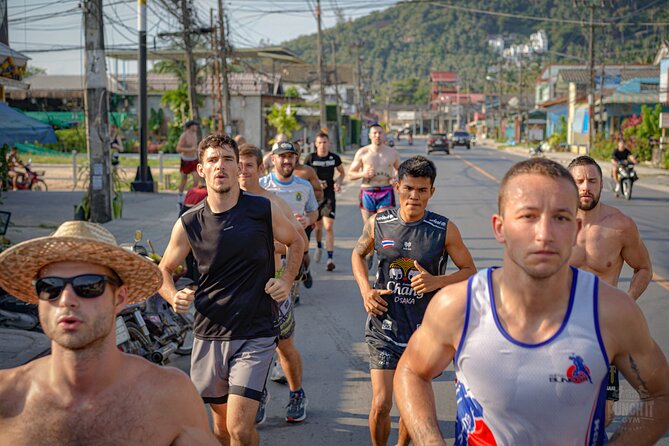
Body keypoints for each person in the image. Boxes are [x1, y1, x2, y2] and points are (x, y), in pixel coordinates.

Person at [394, 158, 669, 446]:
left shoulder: (611, 312)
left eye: (560, 218)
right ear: (499, 228)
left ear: (576, 229)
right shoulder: (460, 305)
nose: (544, 234)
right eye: (528, 216)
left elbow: (661, 395)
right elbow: (411, 372)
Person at [0, 220, 217, 445]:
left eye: (89, 285)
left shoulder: (169, 397)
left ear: (120, 298)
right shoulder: (7, 397)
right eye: (50, 287)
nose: (66, 300)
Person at [159, 134, 305, 446]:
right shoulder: (188, 223)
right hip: (210, 333)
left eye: (227, 159)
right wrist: (173, 296)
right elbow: (163, 270)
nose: (220, 166)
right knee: (221, 430)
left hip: (256, 331)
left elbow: (297, 241)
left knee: (239, 428)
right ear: (201, 169)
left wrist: (286, 281)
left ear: (238, 166)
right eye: (212, 160)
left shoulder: (262, 210)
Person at [351, 156, 476, 446]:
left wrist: (437, 281)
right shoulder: (379, 223)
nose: (414, 196)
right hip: (383, 326)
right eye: (408, 188)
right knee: (381, 403)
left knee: (410, 409)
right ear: (397, 187)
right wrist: (365, 291)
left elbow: (470, 271)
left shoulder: (444, 229)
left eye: (422, 190)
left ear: (432, 192)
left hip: (424, 332)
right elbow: (358, 254)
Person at [568, 155, 653, 426]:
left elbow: (644, 268)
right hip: (559, 328)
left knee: (603, 415)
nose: (585, 187)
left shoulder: (620, 225)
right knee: (561, 409)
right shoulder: (552, 226)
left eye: (592, 180)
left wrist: (625, 301)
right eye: (578, 181)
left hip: (605, 330)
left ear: (603, 184)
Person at [238, 144, 310, 424]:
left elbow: (299, 243)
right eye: (239, 165)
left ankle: (296, 393)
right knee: (247, 351)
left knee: (284, 347)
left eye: (249, 166)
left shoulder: (273, 202)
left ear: (260, 169)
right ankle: (257, 394)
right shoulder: (225, 202)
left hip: (272, 289)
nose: (243, 172)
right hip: (240, 291)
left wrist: (269, 249)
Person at [260, 141, 318, 390]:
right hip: (266, 256)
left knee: (284, 312)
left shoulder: (303, 186)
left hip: (292, 254)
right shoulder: (262, 186)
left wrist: (307, 219)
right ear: (273, 159)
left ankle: (277, 361)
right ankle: (273, 360)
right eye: (282, 157)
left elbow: (314, 213)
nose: (286, 161)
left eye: (291, 157)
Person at [348, 124, 400, 266]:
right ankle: (370, 252)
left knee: (383, 224)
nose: (377, 135)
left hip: (385, 191)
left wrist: (395, 178)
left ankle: (382, 255)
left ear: (384, 135)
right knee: (369, 227)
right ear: (370, 135)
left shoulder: (392, 153)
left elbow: (400, 172)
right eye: (374, 133)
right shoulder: (363, 152)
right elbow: (350, 174)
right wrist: (363, 174)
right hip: (368, 191)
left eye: (380, 133)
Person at [304, 132, 346, 271]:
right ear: (315, 144)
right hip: (315, 196)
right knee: (318, 226)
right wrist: (314, 184)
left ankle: (330, 258)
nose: (322, 145)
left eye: (325, 142)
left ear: (329, 143)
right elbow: (303, 176)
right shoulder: (310, 158)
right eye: (320, 142)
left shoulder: (334, 158)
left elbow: (342, 173)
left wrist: (338, 183)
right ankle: (319, 246)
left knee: (328, 226)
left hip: (329, 195)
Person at [176, 120, 201, 205]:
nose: (196, 127)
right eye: (195, 125)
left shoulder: (194, 134)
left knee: (196, 178)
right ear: (191, 126)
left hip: (193, 159)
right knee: (184, 179)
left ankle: (191, 195)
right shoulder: (184, 135)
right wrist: (190, 149)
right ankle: (180, 197)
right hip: (185, 160)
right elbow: (178, 148)